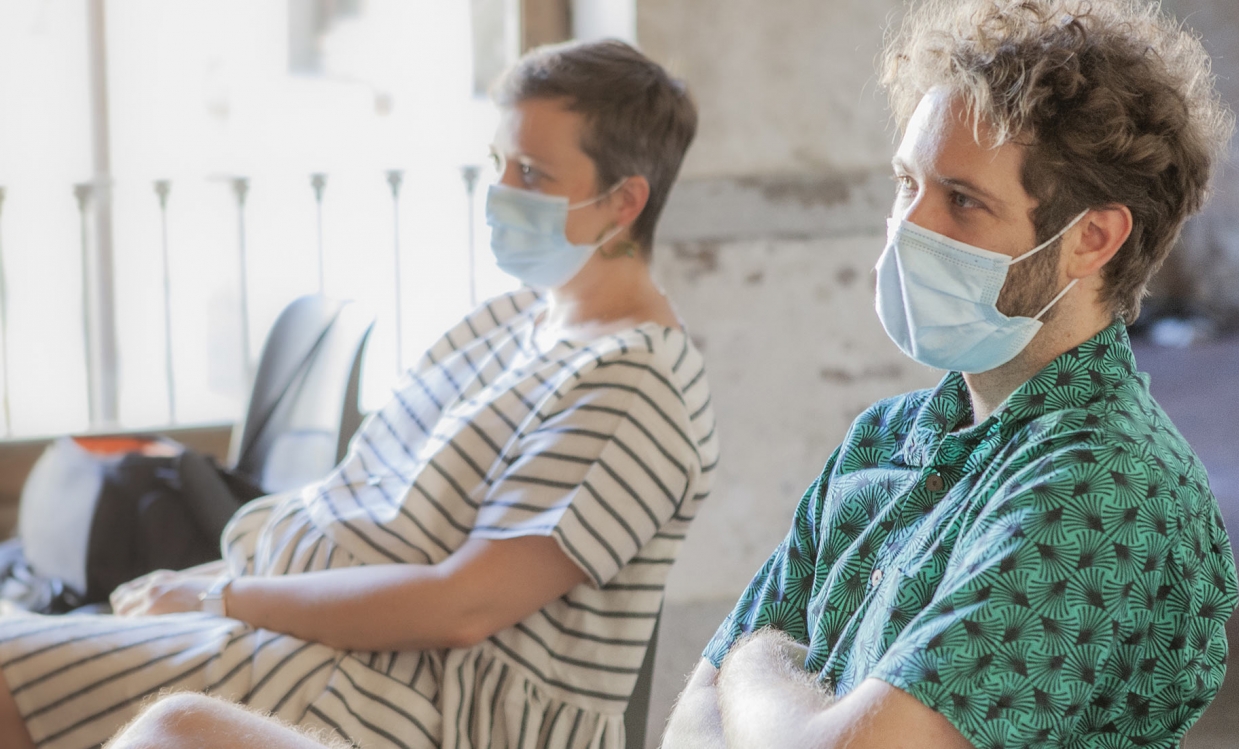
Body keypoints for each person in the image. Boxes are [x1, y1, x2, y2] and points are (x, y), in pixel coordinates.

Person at [0, 38, 717, 749]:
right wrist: (205, 583)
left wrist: (220, 595)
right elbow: (358, 507)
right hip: (318, 651)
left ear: (623, 201)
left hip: (397, 697)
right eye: (496, 163)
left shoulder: (636, 383)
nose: (500, 192)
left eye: (530, 173)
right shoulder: (509, 320)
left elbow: (461, 605)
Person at [663, 1, 1237, 747]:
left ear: (1091, 238)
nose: (909, 228)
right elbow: (685, 731)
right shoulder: (886, 437)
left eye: (962, 201)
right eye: (908, 184)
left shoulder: (1103, 482)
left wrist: (752, 658)